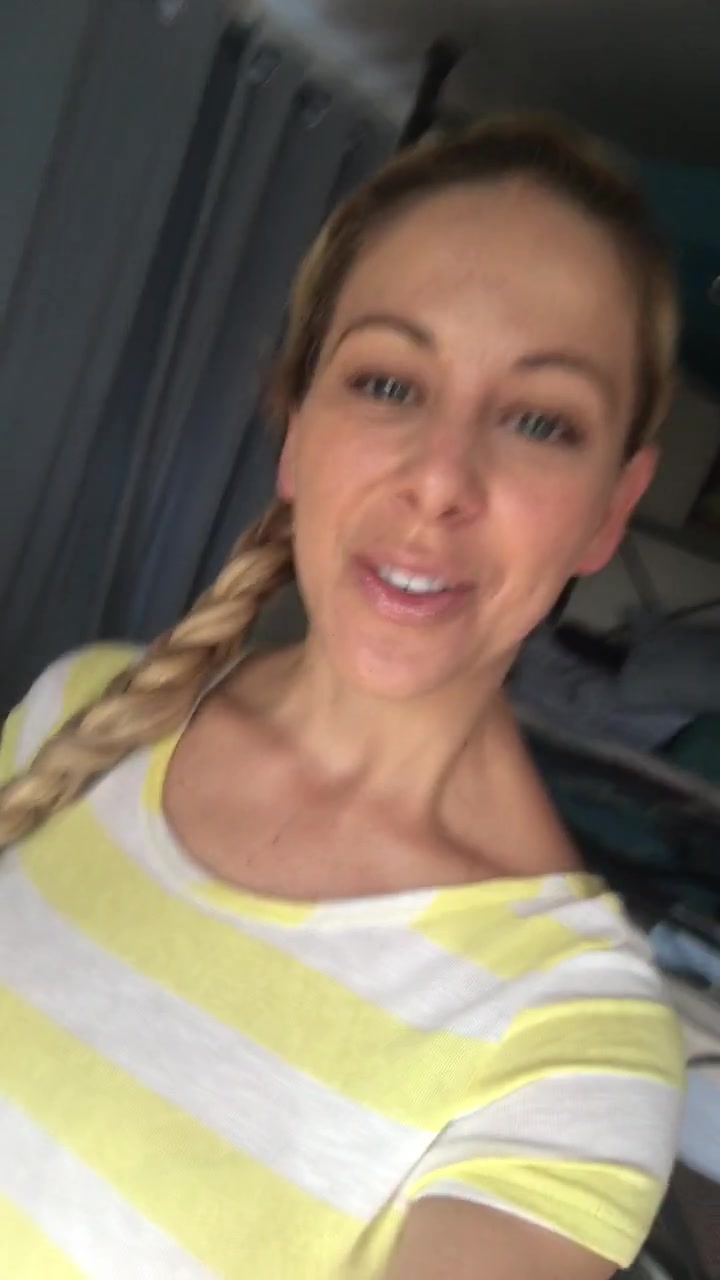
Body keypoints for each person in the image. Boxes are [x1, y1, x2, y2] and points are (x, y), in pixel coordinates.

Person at [0, 115, 685, 1280]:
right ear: (295, 426)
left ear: (609, 510)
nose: (440, 478)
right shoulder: (85, 704)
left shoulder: (574, 1043)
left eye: (539, 420)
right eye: (387, 382)